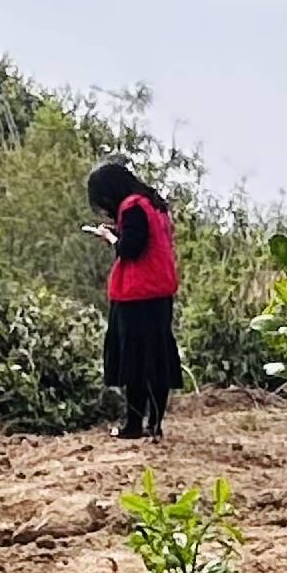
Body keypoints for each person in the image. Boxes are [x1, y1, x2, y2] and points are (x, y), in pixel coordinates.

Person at [86, 159, 183, 440]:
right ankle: (155, 423)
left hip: (137, 294)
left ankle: (133, 425)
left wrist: (109, 237)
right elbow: (146, 240)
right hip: (160, 292)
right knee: (156, 358)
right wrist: (118, 232)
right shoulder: (154, 205)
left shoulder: (131, 207)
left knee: (134, 362)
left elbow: (130, 248)